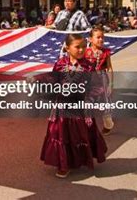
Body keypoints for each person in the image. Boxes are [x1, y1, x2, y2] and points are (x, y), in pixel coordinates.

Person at [40, 33, 107, 178]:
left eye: (83, 47)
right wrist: (38, 81)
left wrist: (89, 99)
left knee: (80, 135)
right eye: (77, 47)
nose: (81, 50)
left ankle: (81, 159)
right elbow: (53, 81)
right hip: (62, 109)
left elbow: (97, 86)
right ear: (67, 48)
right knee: (61, 135)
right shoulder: (59, 64)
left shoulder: (88, 67)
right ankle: (64, 165)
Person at [85, 27, 114, 135]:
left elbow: (109, 68)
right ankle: (87, 127)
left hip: (102, 79)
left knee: (105, 101)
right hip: (89, 79)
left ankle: (108, 124)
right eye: (98, 37)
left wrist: (111, 84)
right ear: (90, 39)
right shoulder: (85, 52)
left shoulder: (106, 52)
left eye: (102, 37)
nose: (101, 40)